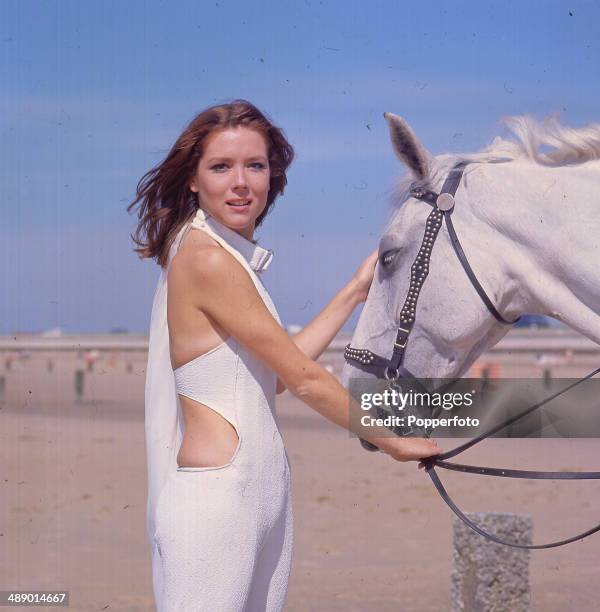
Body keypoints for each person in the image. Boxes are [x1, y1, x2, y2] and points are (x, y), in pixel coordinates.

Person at [128, 99, 440, 612]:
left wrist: (353, 292)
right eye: (221, 167)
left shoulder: (232, 259)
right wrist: (393, 441)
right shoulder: (205, 257)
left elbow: (270, 377)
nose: (241, 182)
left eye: (256, 165)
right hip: (218, 501)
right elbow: (303, 379)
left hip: (263, 495)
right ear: (193, 178)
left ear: (273, 176)